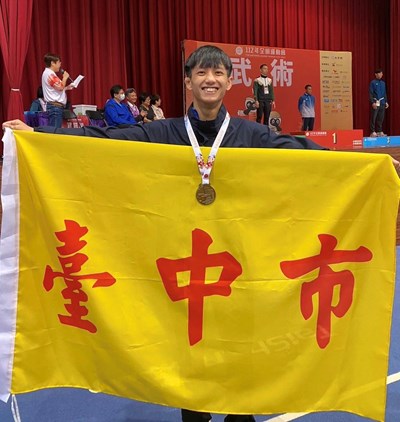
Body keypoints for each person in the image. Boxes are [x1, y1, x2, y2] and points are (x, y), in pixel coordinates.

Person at [3, 45, 399, 421]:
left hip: (239, 272)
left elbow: (299, 151)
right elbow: (106, 141)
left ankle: (241, 412)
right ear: (188, 81)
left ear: (229, 82)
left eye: (218, 72)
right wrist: (40, 138)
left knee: (241, 345)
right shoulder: (164, 133)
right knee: (189, 351)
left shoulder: (250, 135)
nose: (210, 79)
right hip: (185, 276)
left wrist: (369, 168)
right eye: (201, 72)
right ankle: (193, 410)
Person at [41, 52, 75, 127]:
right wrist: (65, 78)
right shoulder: (49, 74)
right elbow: (60, 87)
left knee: (56, 130)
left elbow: (56, 89)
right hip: (55, 107)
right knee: (55, 131)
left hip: (56, 107)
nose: (60, 64)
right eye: (59, 62)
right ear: (52, 63)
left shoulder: (50, 73)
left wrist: (66, 88)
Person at [369, 68, 389, 137]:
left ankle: (379, 131)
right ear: (376, 74)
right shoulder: (373, 82)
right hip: (376, 102)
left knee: (381, 117)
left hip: (382, 102)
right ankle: (372, 131)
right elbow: (370, 93)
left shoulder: (383, 83)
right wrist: (372, 102)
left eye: (381, 73)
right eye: (379, 73)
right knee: (374, 117)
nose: (381, 75)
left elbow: (384, 93)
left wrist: (386, 102)